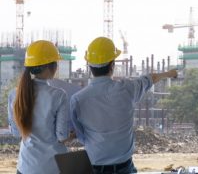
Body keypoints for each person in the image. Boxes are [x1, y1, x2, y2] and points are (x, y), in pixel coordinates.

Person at [70, 37, 177, 174]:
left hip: (95, 168)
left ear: (89, 66)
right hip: (125, 168)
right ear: (112, 65)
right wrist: (169, 73)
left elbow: (81, 135)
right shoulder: (128, 89)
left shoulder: (77, 100)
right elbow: (151, 78)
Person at [10, 40, 73, 174]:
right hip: (53, 167)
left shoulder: (15, 94)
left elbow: (16, 132)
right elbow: (62, 136)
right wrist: (73, 134)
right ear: (51, 67)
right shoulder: (59, 96)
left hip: (26, 167)